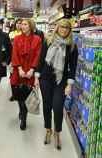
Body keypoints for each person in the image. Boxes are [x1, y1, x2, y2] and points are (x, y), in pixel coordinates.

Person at [35, 19, 78, 150]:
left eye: (67, 28)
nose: (64, 30)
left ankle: (57, 133)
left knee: (58, 107)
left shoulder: (72, 46)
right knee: (47, 106)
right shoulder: (48, 41)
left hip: (61, 80)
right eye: (62, 27)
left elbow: (73, 67)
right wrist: (37, 77)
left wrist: (69, 84)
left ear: (70, 30)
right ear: (57, 28)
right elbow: (41, 59)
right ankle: (48, 129)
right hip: (45, 79)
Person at [10, 19, 42, 131]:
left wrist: (32, 70)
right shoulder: (17, 38)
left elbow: (38, 55)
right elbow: (14, 54)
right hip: (19, 70)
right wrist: (19, 69)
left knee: (27, 95)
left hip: (30, 71)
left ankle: (24, 118)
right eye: (22, 24)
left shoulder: (37, 39)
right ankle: (21, 111)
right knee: (19, 94)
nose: (22, 26)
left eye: (25, 24)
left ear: (31, 26)